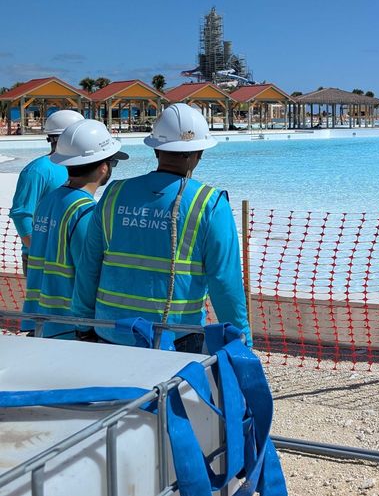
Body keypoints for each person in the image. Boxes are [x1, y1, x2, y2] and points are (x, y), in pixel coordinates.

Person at [74, 103, 251, 352]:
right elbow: (225, 282)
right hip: (175, 339)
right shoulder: (209, 204)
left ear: (156, 149)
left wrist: (82, 323)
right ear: (199, 151)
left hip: (111, 332)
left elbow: (89, 265)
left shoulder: (114, 194)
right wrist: (241, 341)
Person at [21, 119, 128, 338]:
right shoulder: (85, 212)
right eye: (112, 163)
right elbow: (89, 275)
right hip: (69, 326)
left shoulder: (50, 201)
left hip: (41, 318)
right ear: (103, 167)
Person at [10, 109, 84, 274]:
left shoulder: (79, 167)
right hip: (43, 260)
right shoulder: (39, 170)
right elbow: (21, 215)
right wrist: (41, 253)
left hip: (69, 257)